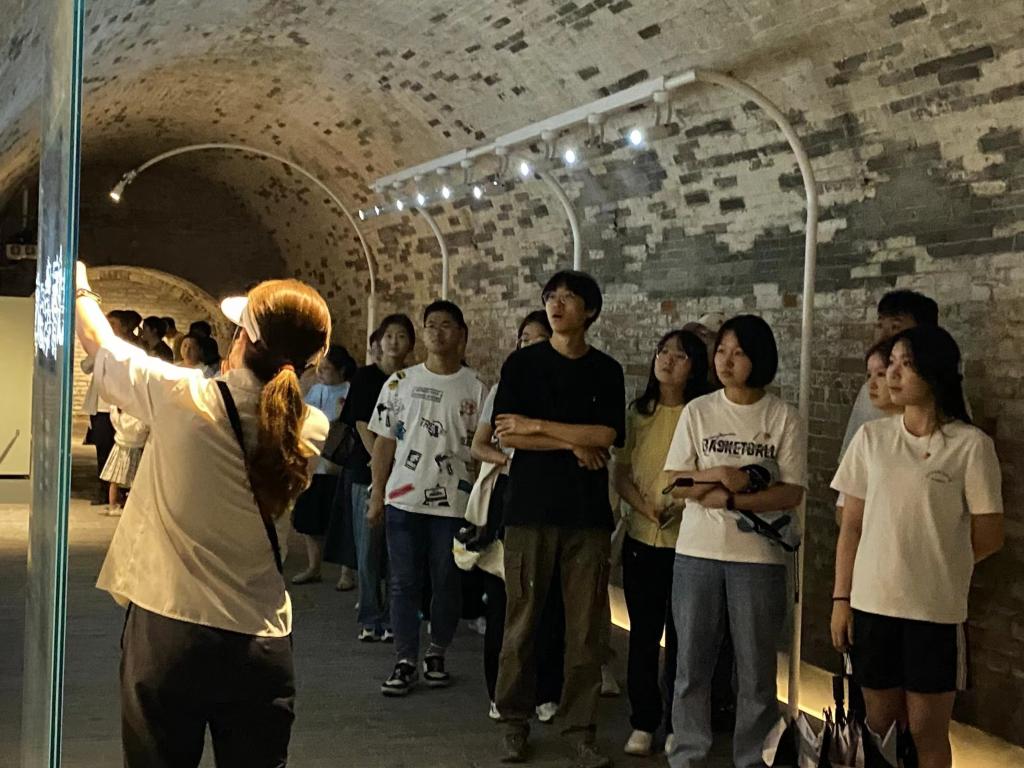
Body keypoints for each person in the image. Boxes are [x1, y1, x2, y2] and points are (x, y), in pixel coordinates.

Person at [74, 263, 331, 768]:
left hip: (170, 629)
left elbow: (97, 342)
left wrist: (78, 286)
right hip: (261, 640)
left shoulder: (180, 396)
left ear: (241, 341)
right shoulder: (311, 426)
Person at [831, 326, 1003, 768]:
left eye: (905, 364)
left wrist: (936, 561)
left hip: (934, 613)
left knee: (928, 730)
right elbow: (851, 527)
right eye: (891, 364)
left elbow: (989, 533)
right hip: (872, 605)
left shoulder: (970, 445)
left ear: (935, 371)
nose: (892, 374)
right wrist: (841, 599)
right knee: (880, 726)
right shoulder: (872, 439)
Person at [492, 270, 626, 768]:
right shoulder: (522, 364)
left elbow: (606, 435)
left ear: (589, 311)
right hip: (529, 509)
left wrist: (541, 427)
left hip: (586, 516)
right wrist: (574, 441)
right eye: (551, 297)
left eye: (568, 298)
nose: (556, 305)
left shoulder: (605, 370)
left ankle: (580, 728)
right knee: (521, 621)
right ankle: (514, 721)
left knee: (586, 629)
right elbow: (508, 434)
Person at [664, 314, 806, 768]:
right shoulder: (699, 411)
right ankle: (688, 752)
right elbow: (675, 482)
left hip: (758, 557)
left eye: (738, 352)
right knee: (691, 664)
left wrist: (731, 499)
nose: (726, 361)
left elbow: (791, 492)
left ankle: (753, 758)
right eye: (721, 351)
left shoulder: (782, 417)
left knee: (756, 670)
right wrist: (722, 475)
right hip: (697, 553)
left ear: (759, 359)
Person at [368, 300, 486, 696]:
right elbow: (384, 442)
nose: (437, 332)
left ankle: (437, 651)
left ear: (462, 334)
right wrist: (377, 494)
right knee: (403, 582)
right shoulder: (400, 382)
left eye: (446, 325)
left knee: (446, 581)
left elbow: (483, 449)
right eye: (431, 324)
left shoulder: (477, 387)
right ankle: (404, 659)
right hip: (404, 500)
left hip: (454, 504)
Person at [614, 329, 713, 757]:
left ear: (696, 367)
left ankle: (678, 721)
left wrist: (682, 503)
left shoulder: (704, 414)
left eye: (680, 355)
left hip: (689, 541)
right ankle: (643, 720)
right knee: (643, 634)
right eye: (662, 351)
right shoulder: (638, 413)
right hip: (642, 535)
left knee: (683, 638)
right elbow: (620, 474)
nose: (667, 360)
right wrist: (645, 508)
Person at [468, 310, 564, 724]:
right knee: (505, 599)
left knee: (550, 601)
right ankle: (500, 691)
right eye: (525, 338)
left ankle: (546, 690)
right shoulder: (504, 388)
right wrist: (511, 463)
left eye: (540, 338)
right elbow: (480, 445)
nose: (530, 345)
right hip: (509, 497)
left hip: (556, 500)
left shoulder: (567, 386)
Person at [334, 318, 413, 639]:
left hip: (404, 473)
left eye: (401, 336)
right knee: (368, 548)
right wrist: (379, 461)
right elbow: (361, 422)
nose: (393, 341)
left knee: (397, 550)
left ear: (411, 343)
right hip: (364, 469)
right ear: (378, 342)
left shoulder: (411, 378)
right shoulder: (365, 377)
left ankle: (394, 617)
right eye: (388, 336)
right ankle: (370, 617)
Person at [291, 344, 358, 585]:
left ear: (341, 370)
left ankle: (346, 573)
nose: (320, 373)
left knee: (339, 519)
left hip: (338, 462)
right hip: (315, 461)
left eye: (326, 369)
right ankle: (314, 566)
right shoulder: (316, 390)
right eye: (320, 368)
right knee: (310, 518)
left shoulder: (349, 390)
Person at [834, 337, 901, 525]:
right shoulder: (868, 435)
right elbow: (844, 514)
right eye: (869, 375)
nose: (871, 384)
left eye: (881, 374)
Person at [99, 404, 150, 516]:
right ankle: (132, 506)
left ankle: (112, 505)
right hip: (134, 449)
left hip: (119, 447)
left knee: (115, 480)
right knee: (134, 480)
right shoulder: (136, 415)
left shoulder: (117, 411)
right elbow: (141, 428)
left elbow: (113, 418)